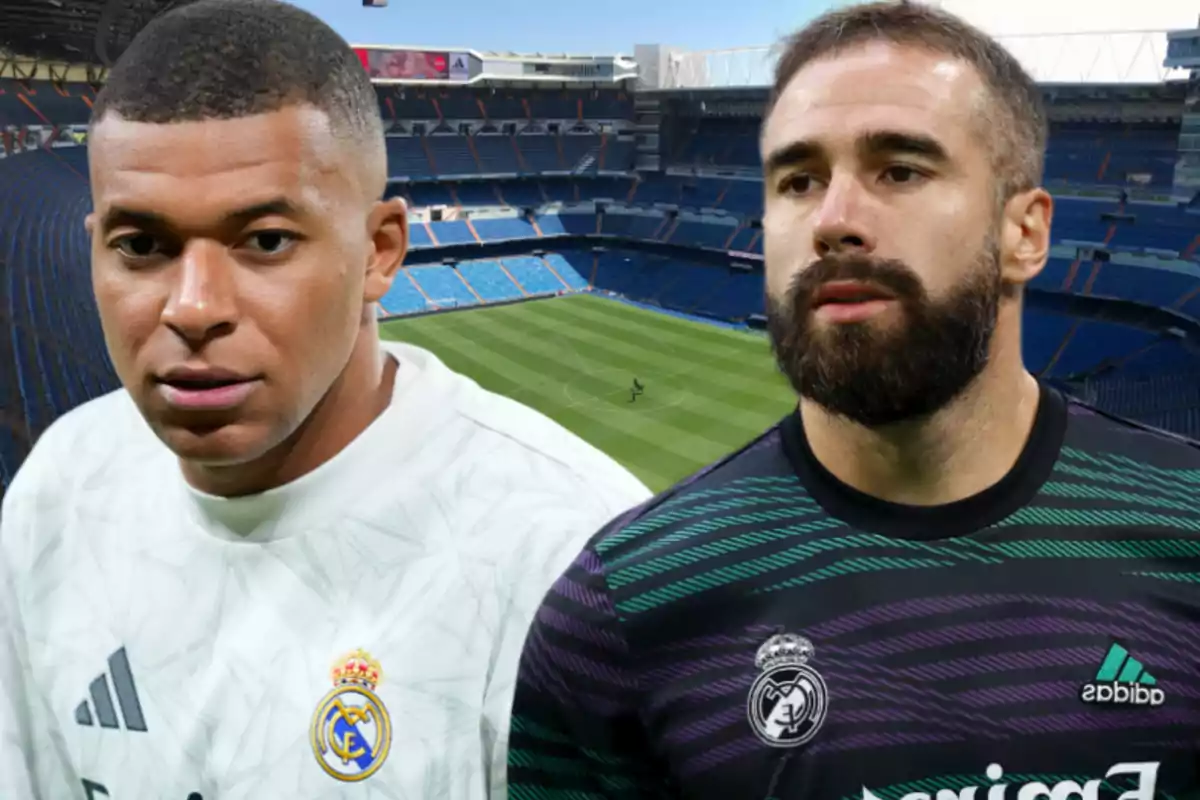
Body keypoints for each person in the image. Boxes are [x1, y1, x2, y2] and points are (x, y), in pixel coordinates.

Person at [506, 3, 1200, 798]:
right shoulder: (620, 608)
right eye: (799, 181)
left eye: (899, 170)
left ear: (1025, 233)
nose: (834, 219)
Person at [0, 1, 649, 797]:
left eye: (266, 240)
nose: (194, 308)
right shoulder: (61, 481)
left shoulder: (576, 565)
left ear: (380, 252)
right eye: (142, 246)